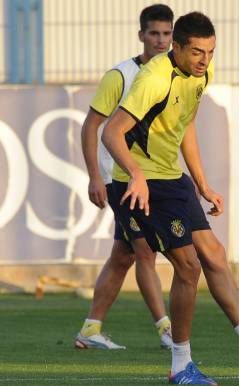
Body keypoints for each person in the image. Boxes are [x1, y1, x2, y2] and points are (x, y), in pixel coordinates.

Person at [101, 12, 239, 386]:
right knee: (188, 266)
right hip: (139, 184)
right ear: (176, 47)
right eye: (196, 51)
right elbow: (111, 132)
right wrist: (135, 174)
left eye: (210, 52)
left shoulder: (201, 75)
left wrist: (201, 183)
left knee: (214, 253)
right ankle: (181, 365)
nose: (204, 59)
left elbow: (185, 127)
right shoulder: (153, 78)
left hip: (172, 179)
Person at [76, 4, 175, 350]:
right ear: (141, 36)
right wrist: (94, 177)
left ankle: (91, 327)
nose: (161, 41)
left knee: (124, 255)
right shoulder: (120, 76)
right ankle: (166, 330)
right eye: (154, 34)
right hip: (122, 180)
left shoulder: (173, 75)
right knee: (145, 251)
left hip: (153, 180)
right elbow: (91, 126)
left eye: (167, 34)